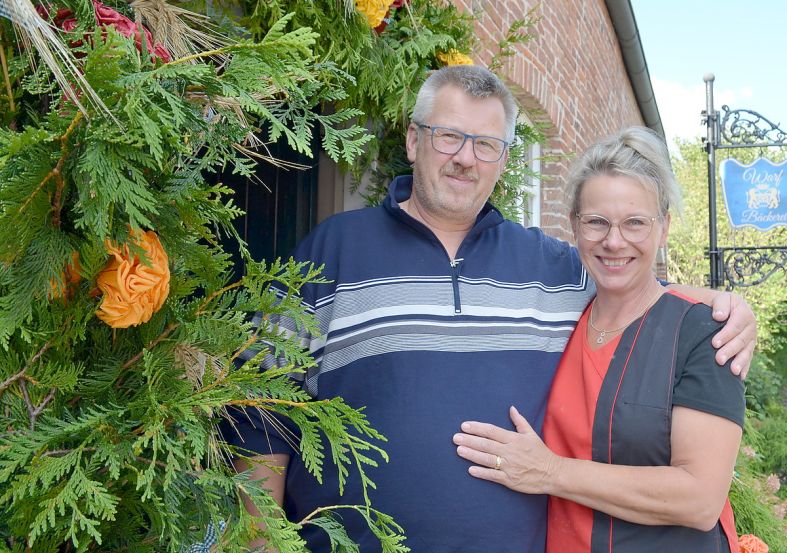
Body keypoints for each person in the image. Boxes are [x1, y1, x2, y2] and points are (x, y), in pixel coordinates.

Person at [223, 66, 756, 553]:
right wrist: (261, 537)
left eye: (486, 144)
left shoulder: (554, 268)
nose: (464, 157)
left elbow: (636, 286)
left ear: (503, 159)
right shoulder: (330, 251)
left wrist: (728, 308)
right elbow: (262, 409)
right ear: (414, 140)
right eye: (449, 135)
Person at [453, 127, 745, 552]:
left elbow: (700, 498)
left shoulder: (701, 332)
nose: (613, 241)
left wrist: (549, 472)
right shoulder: (560, 314)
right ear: (574, 225)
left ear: (663, 227)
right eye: (596, 222)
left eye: (635, 224)